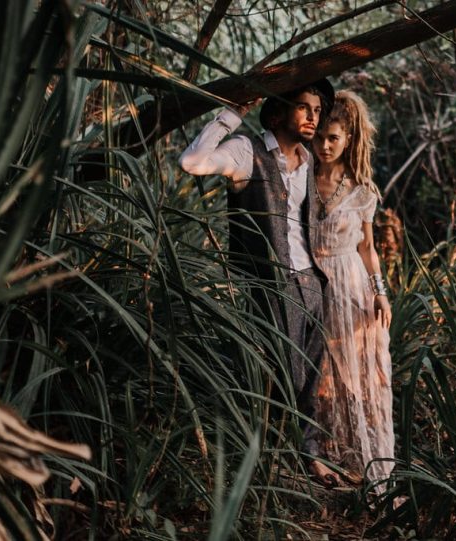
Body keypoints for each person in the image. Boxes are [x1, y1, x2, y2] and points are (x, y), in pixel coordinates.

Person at [178, 81, 340, 483]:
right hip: (271, 284)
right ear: (276, 115)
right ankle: (264, 461)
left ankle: (307, 455)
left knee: (309, 377)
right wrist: (232, 114)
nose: (312, 117)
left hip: (311, 282)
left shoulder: (306, 161)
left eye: (317, 111)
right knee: (285, 374)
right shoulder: (246, 152)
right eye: (303, 108)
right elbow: (193, 162)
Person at [307, 90, 394, 488]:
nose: (324, 145)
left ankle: (358, 460)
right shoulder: (301, 174)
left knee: (353, 375)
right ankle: (318, 457)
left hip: (351, 285)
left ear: (349, 140)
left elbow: (368, 249)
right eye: (320, 135)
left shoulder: (362, 191)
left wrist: (381, 291)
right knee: (317, 372)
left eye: (333, 138)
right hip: (310, 280)